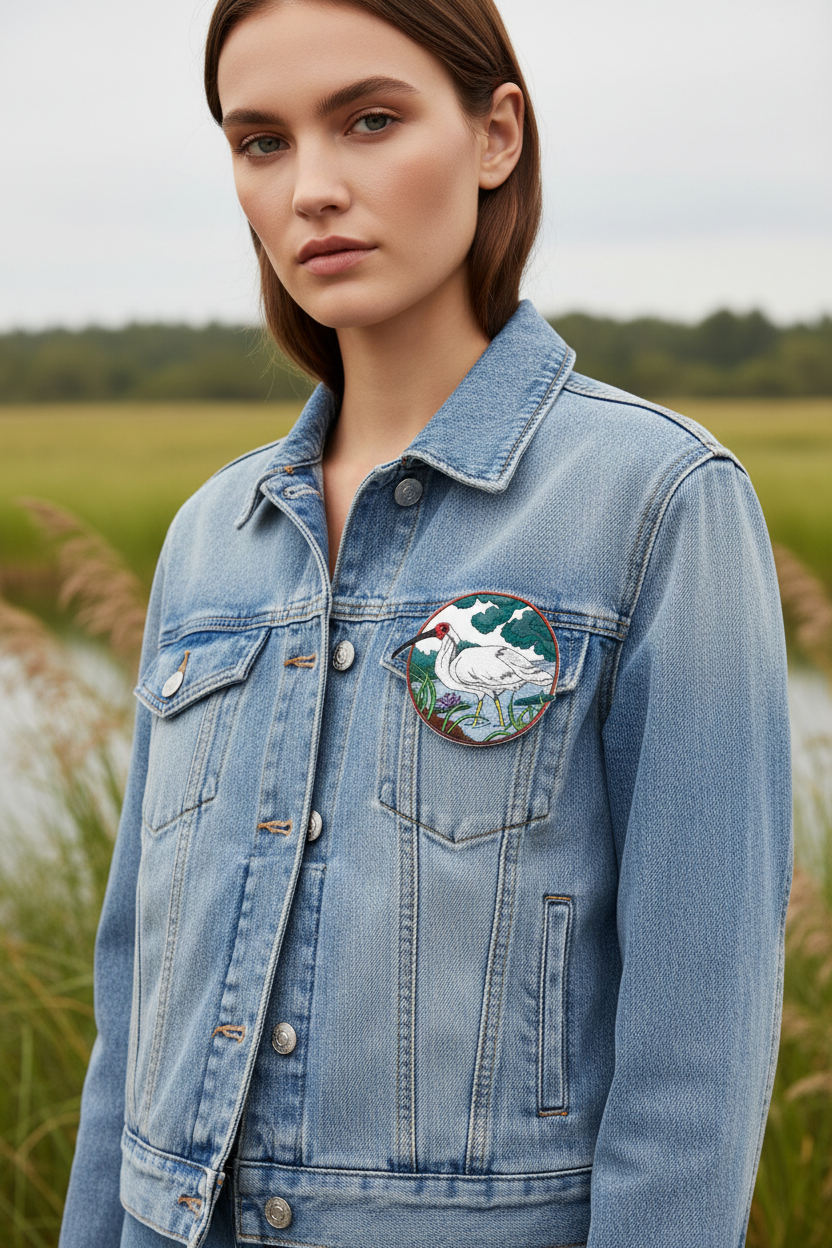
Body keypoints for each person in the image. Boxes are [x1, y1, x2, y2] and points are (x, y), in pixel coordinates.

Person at [59, 0, 792, 1245]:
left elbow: (696, 1048)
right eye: (262, 141)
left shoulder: (655, 501)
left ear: (495, 133)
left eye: (369, 121)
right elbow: (137, 993)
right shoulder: (209, 538)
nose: (311, 188)